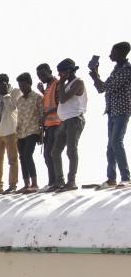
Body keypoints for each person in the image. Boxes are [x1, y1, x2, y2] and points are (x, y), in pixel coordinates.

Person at [87, 41, 131, 188]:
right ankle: (111, 178)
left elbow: (107, 86)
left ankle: (126, 178)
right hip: (112, 111)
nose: (110, 55)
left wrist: (95, 77)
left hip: (122, 111)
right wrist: (96, 75)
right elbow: (102, 89)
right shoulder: (117, 69)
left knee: (116, 142)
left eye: (113, 52)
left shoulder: (126, 70)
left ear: (121, 53)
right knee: (111, 145)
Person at [50, 58, 88, 192]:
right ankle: (59, 181)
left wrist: (61, 83)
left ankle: (71, 181)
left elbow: (63, 99)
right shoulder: (67, 84)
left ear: (68, 71)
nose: (59, 75)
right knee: (55, 152)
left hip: (75, 119)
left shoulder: (78, 82)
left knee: (71, 150)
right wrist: (62, 83)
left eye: (61, 72)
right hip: (65, 120)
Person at [15, 72, 45, 193]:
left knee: (28, 155)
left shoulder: (38, 97)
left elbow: (42, 115)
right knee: (22, 157)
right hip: (21, 132)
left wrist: (41, 133)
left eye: (23, 85)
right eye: (20, 85)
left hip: (33, 130)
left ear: (29, 84)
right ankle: (26, 184)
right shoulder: (19, 100)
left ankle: (35, 184)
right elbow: (19, 117)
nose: (22, 88)